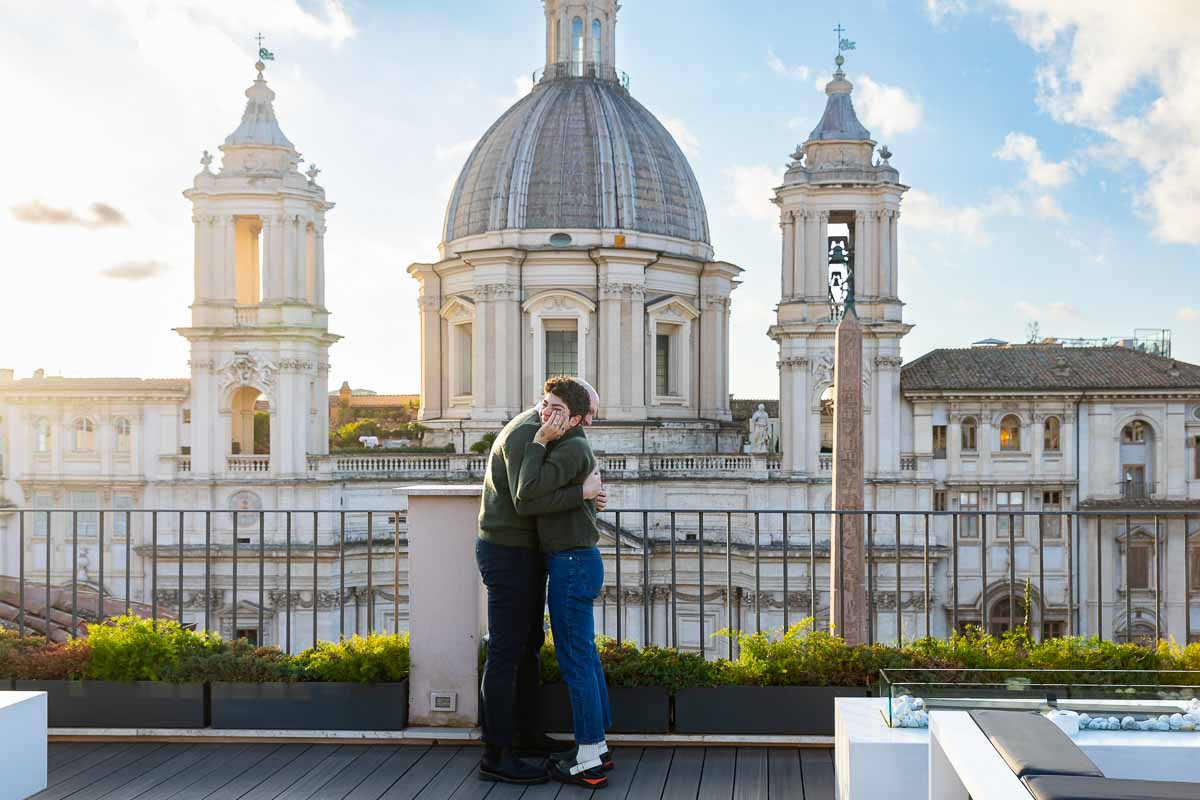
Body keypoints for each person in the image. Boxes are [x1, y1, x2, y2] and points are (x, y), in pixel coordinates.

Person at [475, 380, 605, 785]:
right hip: (507, 553)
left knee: (529, 646)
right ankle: (496, 754)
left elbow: (550, 482)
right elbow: (524, 499)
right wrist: (581, 493)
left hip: (526, 552)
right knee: (505, 652)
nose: (555, 417)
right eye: (551, 407)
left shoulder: (548, 432)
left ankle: (527, 736)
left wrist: (586, 494)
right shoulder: (523, 435)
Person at [515, 376, 612, 788]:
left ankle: (588, 757)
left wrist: (537, 442)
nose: (546, 412)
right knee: (584, 659)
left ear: (573, 419)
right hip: (576, 560)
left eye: (556, 408)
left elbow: (526, 496)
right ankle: (598, 748)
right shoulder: (572, 446)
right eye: (544, 403)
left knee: (576, 663)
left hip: (571, 563)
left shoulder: (568, 448)